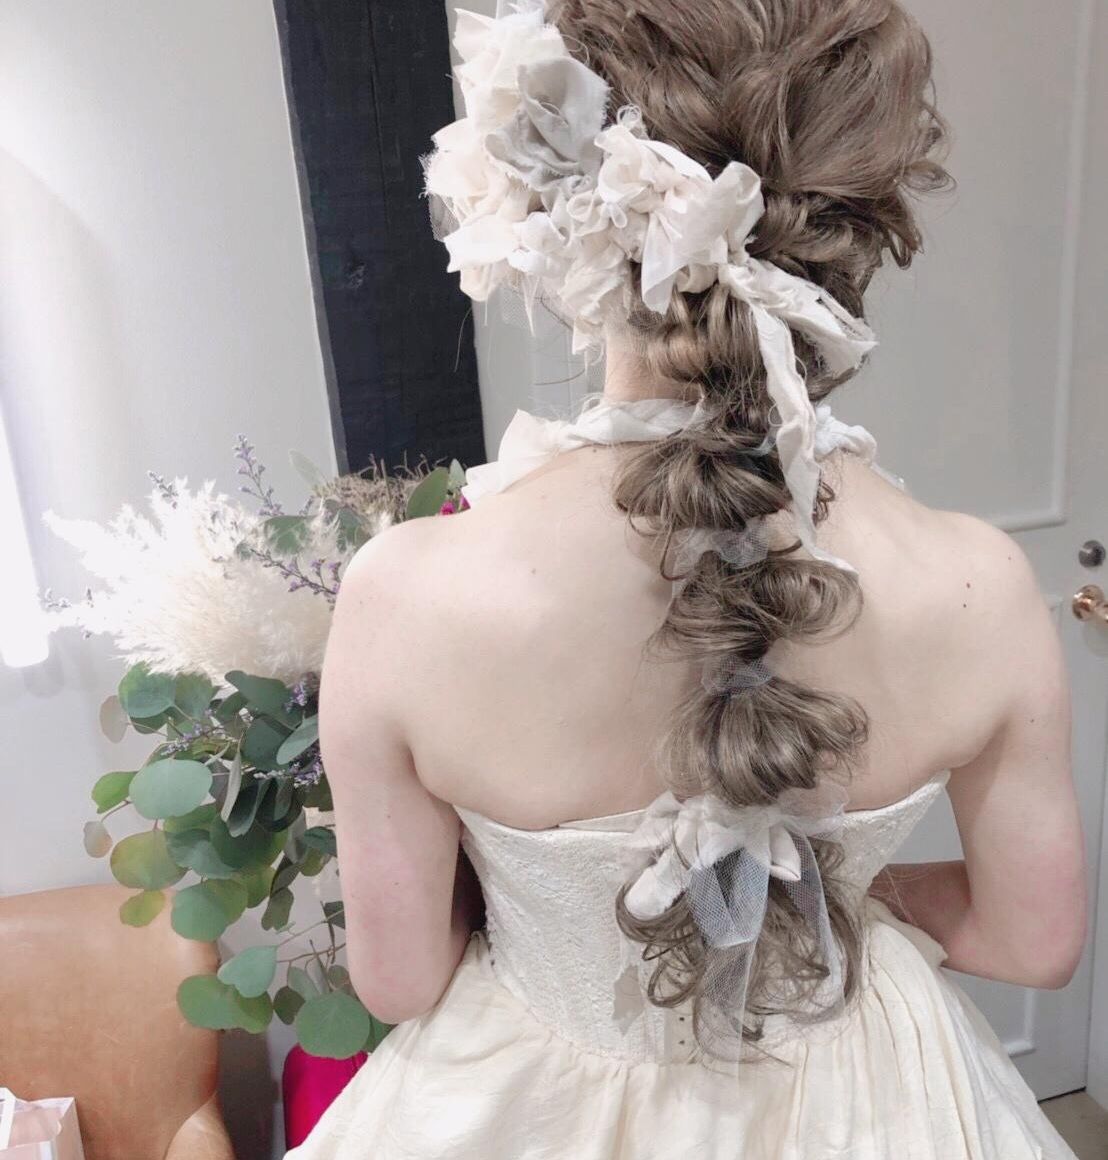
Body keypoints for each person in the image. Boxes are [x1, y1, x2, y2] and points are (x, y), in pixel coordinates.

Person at [287, 1, 1086, 1155]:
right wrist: (844, 898)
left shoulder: (405, 597)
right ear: (856, 218)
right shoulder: (980, 584)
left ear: (557, 207)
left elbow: (400, 978)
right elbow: (1033, 939)